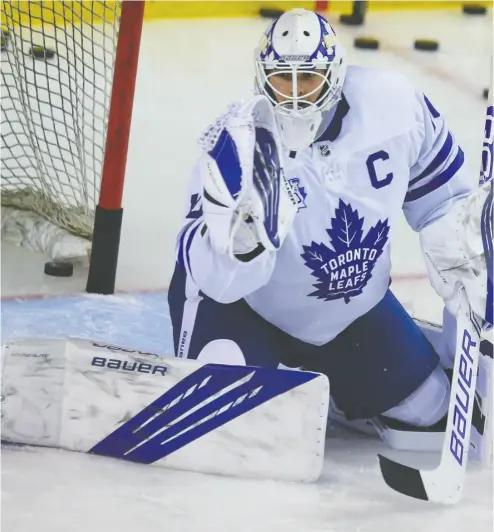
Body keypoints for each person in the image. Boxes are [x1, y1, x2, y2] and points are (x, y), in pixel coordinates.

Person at [168, 8, 490, 430]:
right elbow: (213, 281)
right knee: (225, 427)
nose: (297, 94)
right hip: (244, 311)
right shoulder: (239, 149)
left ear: (335, 75)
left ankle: (341, 394)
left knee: (430, 415)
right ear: (262, 78)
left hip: (348, 314)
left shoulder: (394, 106)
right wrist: (243, 247)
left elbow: (446, 200)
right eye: (284, 79)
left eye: (310, 78)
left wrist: (462, 246)